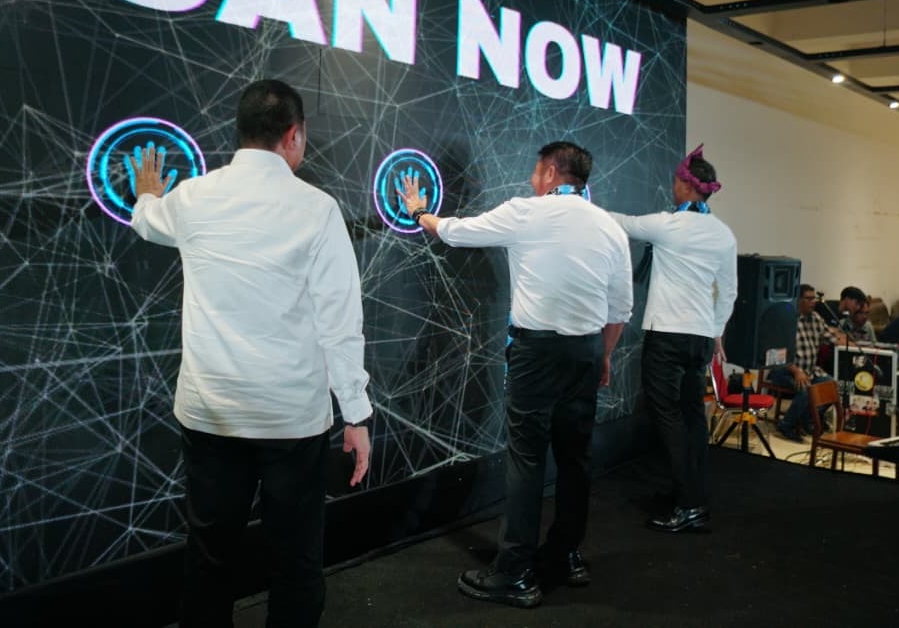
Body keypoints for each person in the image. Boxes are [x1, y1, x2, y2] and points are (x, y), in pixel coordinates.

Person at [129, 79, 372, 628]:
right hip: (292, 420)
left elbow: (147, 222)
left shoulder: (192, 198)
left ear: (240, 132)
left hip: (211, 413)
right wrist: (356, 415)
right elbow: (340, 323)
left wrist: (147, 194)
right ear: (294, 135)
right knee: (296, 562)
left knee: (209, 560)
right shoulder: (318, 210)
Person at [398, 141, 632, 609]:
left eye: (536, 170)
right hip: (586, 351)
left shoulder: (526, 212)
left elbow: (456, 232)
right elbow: (620, 307)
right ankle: (565, 556)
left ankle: (515, 573)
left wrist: (420, 212)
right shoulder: (608, 226)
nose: (531, 178)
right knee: (575, 459)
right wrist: (603, 356)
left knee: (526, 460)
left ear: (551, 172)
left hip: (536, 353)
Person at [604, 145, 737, 533]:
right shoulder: (723, 234)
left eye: (676, 182)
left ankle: (689, 504)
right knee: (693, 417)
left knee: (668, 418)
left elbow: (620, 222)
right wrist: (716, 330)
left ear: (687, 186)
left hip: (667, 335)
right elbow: (728, 291)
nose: (672, 187)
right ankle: (693, 494)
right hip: (700, 338)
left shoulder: (668, 225)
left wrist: (576, 206)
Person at [770, 284, 842, 442]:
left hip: (809, 370)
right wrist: (796, 371)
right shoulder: (787, 320)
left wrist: (857, 344)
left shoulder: (816, 318)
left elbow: (833, 339)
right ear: (798, 300)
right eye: (809, 298)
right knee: (807, 389)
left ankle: (808, 419)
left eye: (814, 298)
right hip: (784, 370)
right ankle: (786, 425)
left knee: (832, 386)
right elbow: (775, 355)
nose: (813, 302)